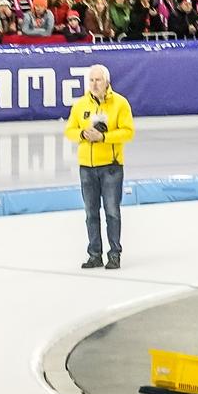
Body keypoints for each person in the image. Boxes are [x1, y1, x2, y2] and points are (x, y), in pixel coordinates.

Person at [65, 64, 135, 270]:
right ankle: (94, 254)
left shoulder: (120, 104)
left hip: (111, 167)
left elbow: (128, 132)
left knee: (112, 212)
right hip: (87, 167)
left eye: (98, 80)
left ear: (107, 82)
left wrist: (103, 137)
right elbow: (69, 130)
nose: (95, 84)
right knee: (91, 212)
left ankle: (114, 255)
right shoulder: (80, 105)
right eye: (92, 80)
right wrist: (82, 134)